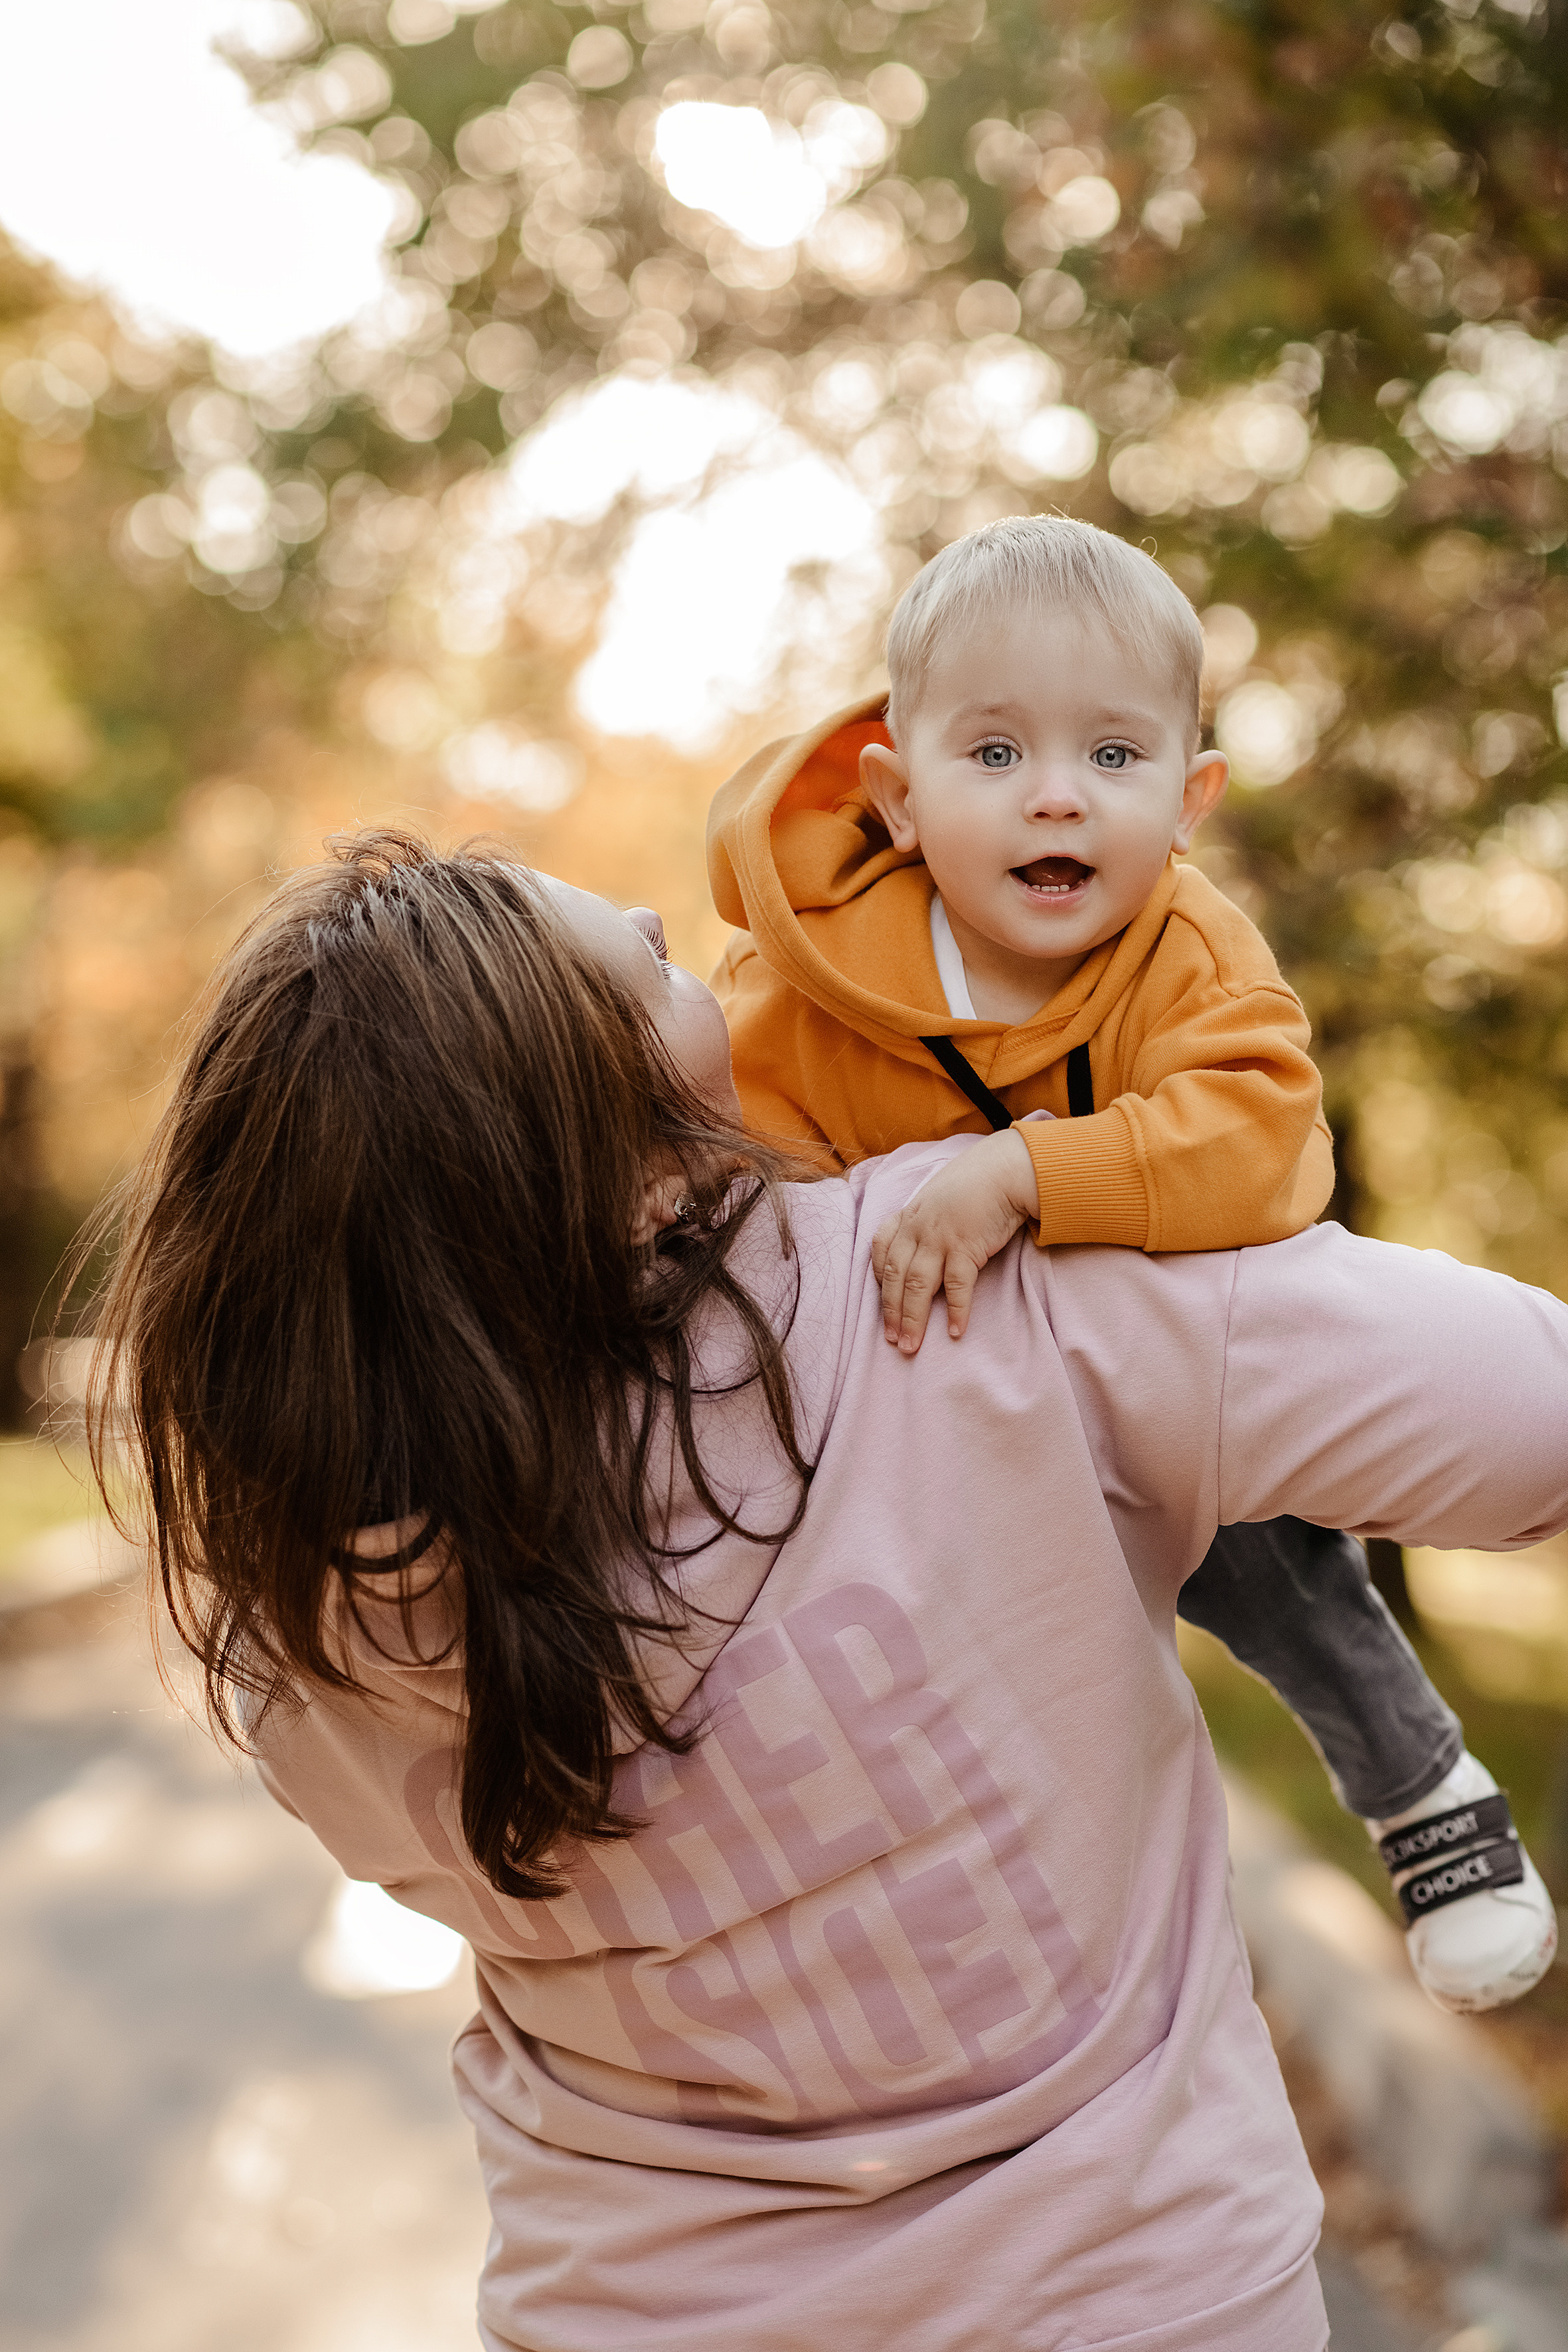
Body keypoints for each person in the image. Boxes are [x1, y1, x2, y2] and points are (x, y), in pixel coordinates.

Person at [86, 834, 1568, 2352]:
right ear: (621, 1177)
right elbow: (1530, 1416)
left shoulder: (305, 1626)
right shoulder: (964, 1283)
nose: (674, 920)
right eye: (646, 966)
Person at [706, 514, 1555, 2010]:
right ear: (897, 797)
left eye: (1112, 757)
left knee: (1280, 1573)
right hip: (929, 1395)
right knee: (943, 1653)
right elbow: (731, 1172)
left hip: (1173, 1360)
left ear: (1189, 797)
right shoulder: (809, 987)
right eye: (994, 756)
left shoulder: (1187, 950)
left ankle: (1417, 1778)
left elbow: (1259, 1139)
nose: (1055, 797)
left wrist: (1027, 1171)